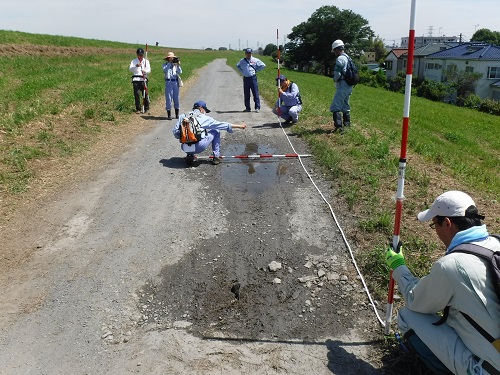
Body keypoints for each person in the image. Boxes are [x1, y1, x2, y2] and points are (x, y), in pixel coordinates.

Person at [386, 191, 500, 374]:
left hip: (489, 369)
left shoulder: (452, 265)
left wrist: (399, 268)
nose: (436, 231)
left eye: (434, 225)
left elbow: (416, 301)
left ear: (447, 223)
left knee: (408, 316)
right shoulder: (496, 244)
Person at [172, 100, 247, 166]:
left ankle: (190, 155)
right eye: (205, 110)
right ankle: (216, 157)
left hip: (184, 147)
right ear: (201, 108)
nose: (205, 112)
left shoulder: (183, 116)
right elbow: (222, 125)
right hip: (199, 147)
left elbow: (175, 132)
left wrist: (184, 139)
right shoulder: (204, 118)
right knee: (216, 130)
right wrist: (239, 126)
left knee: (190, 136)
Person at [330, 39, 353, 132]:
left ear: (336, 49)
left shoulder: (340, 59)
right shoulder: (348, 57)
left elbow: (337, 74)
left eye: (334, 50)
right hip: (349, 85)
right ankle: (347, 125)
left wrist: (335, 80)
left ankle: (339, 127)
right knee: (345, 106)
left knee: (335, 106)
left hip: (342, 85)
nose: (334, 53)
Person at [236, 48, 266, 113]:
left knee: (255, 92)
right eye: (247, 53)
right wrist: (242, 72)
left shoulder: (255, 60)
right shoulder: (242, 61)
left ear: (251, 53)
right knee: (246, 94)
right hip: (246, 78)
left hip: (253, 78)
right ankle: (247, 108)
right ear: (245, 54)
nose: (248, 54)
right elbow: (237, 66)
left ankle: (257, 107)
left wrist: (256, 70)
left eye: (249, 53)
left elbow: (263, 65)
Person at [129, 47, 151, 114]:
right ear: (137, 54)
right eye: (139, 55)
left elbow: (149, 70)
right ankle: (138, 108)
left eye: (141, 55)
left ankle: (146, 107)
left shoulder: (146, 61)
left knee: (145, 94)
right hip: (136, 79)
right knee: (137, 94)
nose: (140, 56)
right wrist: (136, 66)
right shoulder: (133, 61)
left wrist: (145, 71)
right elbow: (130, 69)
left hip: (143, 79)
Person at [162, 51, 182, 120]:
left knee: (176, 97)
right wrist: (169, 63)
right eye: (170, 58)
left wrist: (178, 65)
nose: (172, 59)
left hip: (175, 82)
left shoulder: (175, 65)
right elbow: (165, 70)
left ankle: (177, 114)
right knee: (169, 98)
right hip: (169, 82)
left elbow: (180, 72)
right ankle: (169, 115)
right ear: (168, 58)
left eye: (173, 58)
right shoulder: (165, 65)